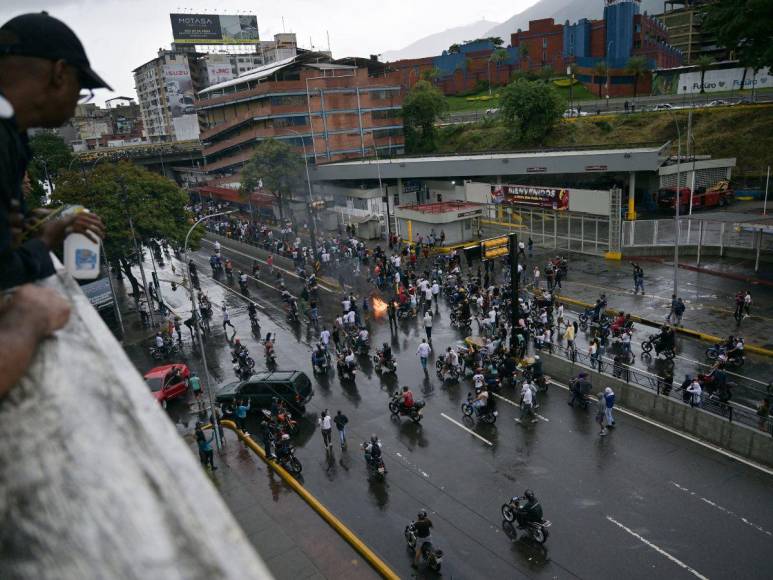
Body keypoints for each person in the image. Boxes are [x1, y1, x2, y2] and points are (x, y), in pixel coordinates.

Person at [0, 13, 108, 290]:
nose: (77, 102)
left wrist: (29, 220)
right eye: (81, 87)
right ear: (59, 74)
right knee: (45, 312)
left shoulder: (13, 134)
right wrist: (46, 240)